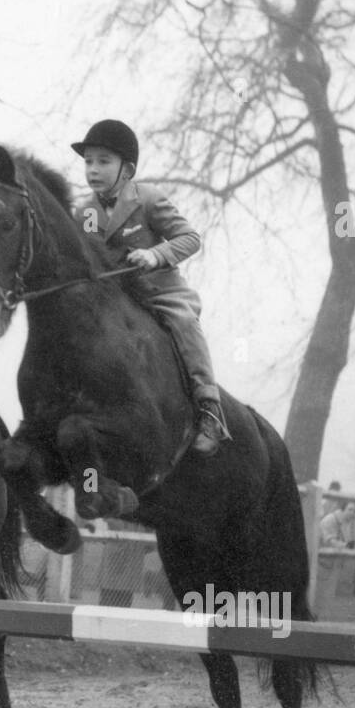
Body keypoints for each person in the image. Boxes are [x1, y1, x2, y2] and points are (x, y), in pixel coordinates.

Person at [70, 119, 229, 456]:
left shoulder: (149, 200)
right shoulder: (85, 212)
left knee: (184, 323)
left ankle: (209, 407)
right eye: (88, 162)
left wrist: (156, 255)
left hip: (161, 293)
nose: (93, 170)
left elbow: (190, 238)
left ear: (126, 169)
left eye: (103, 161)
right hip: (116, 299)